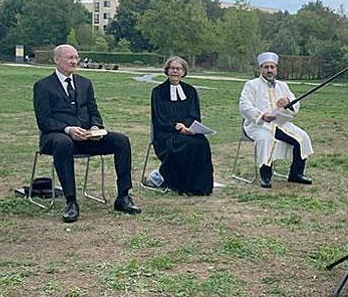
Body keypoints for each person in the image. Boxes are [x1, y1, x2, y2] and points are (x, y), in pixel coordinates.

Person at [33, 44, 140, 222]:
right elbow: (44, 120)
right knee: (63, 142)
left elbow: (93, 111)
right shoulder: (43, 86)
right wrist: (68, 129)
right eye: (69, 58)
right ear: (56, 59)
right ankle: (71, 202)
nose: (74, 61)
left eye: (76, 57)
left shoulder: (85, 83)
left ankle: (123, 196)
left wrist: (96, 129)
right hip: (56, 136)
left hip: (86, 136)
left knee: (121, 140)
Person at [239, 52, 314, 188]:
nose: (269, 70)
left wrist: (288, 101)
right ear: (260, 69)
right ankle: (266, 176)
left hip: (281, 124)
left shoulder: (282, 86)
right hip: (258, 125)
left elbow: (296, 104)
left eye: (272, 67)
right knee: (266, 139)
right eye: (266, 67)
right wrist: (262, 115)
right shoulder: (251, 85)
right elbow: (244, 105)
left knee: (302, 137)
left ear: (276, 69)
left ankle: (296, 174)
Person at [146, 56, 213, 195]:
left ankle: (199, 186)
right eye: (172, 68)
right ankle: (180, 184)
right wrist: (177, 126)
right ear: (167, 70)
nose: (175, 71)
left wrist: (187, 127)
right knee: (183, 144)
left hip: (187, 131)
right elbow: (159, 117)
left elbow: (194, 114)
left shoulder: (190, 91)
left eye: (178, 69)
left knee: (201, 142)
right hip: (166, 133)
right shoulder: (158, 92)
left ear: (183, 72)